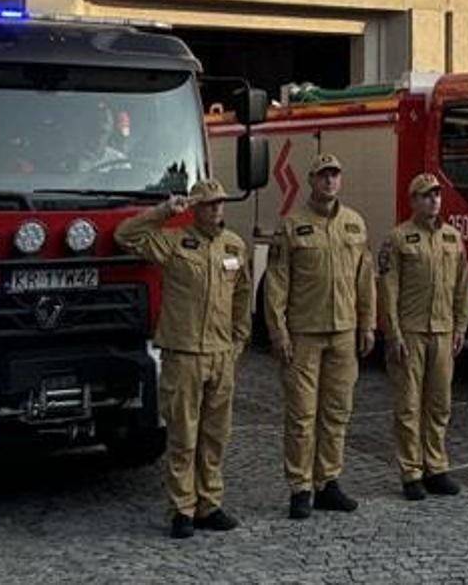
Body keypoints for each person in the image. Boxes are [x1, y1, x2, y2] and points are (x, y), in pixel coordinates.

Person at [115, 179, 250, 539]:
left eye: (220, 203)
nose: (216, 210)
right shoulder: (174, 242)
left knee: (215, 435)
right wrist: (163, 212)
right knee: (183, 436)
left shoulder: (234, 246)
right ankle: (182, 510)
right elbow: (125, 236)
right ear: (195, 208)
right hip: (185, 353)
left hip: (221, 355)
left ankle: (210, 504)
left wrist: (238, 341)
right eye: (207, 204)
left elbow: (242, 297)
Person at [266, 154, 376, 520]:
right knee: (301, 414)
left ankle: (328, 481)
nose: (330, 181)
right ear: (311, 181)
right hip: (304, 334)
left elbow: (365, 282)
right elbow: (277, 285)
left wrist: (368, 325)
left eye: (335, 175)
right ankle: (300, 487)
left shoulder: (355, 225)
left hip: (343, 332)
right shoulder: (293, 227)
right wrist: (278, 332)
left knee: (337, 411)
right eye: (323, 176)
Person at [379, 172, 468, 501]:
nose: (434, 200)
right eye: (426, 195)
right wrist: (392, 333)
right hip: (412, 331)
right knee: (408, 405)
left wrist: (461, 325)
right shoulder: (398, 239)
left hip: (443, 331)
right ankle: (411, 472)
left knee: (439, 403)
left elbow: (462, 286)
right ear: (413, 201)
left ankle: (436, 465)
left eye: (437, 195)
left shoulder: (452, 238)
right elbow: (388, 288)